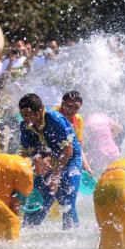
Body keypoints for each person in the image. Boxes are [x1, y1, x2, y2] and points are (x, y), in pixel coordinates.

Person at [18, 93, 82, 229]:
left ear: (40, 111)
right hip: (49, 157)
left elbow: (68, 150)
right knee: (38, 200)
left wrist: (56, 176)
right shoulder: (25, 125)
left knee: (66, 200)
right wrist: (37, 159)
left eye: (30, 115)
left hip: (70, 160)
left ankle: (71, 236)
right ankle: (28, 231)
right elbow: (27, 151)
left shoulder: (55, 119)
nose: (27, 119)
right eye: (23, 115)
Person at [55, 91, 93, 174]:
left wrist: (86, 165)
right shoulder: (53, 115)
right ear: (62, 103)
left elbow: (78, 146)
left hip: (64, 155)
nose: (72, 110)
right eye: (69, 106)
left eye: (76, 108)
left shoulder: (78, 120)